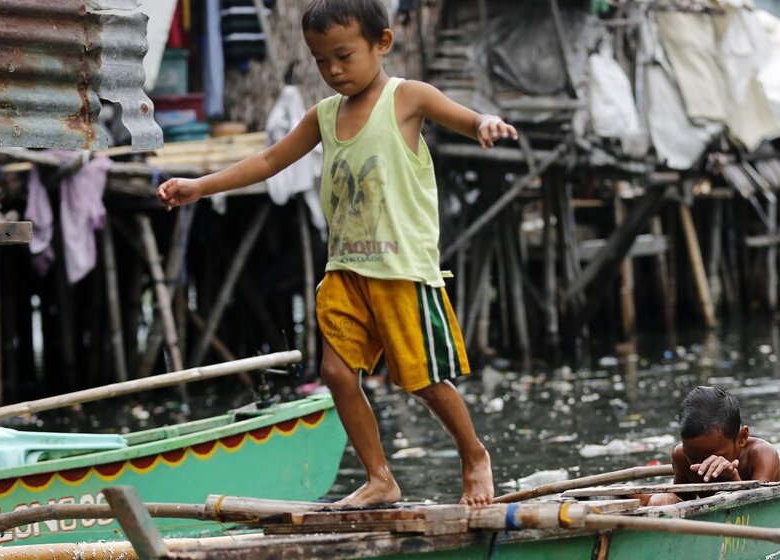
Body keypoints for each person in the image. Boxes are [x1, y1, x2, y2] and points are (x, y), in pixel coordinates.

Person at [157, 0, 518, 507]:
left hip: (400, 269)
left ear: (382, 44)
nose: (333, 70)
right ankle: (380, 477)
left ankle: (474, 455)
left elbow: (465, 117)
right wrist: (201, 186)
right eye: (321, 60)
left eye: (344, 56)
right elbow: (267, 160)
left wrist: (484, 124)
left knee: (424, 382)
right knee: (333, 373)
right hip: (347, 269)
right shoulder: (324, 115)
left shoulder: (406, 97)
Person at [644, 386, 780, 506]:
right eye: (692, 457)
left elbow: (757, 509)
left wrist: (732, 478)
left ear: (742, 438)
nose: (704, 466)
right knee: (660, 500)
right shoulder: (681, 456)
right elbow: (682, 500)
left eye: (716, 457)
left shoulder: (762, 454)